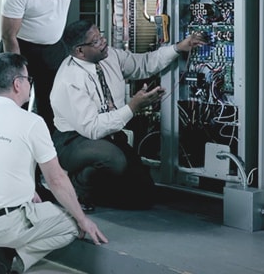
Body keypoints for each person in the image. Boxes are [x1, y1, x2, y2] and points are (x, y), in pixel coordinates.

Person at [0, 52, 108, 274]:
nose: (29, 85)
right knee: (71, 224)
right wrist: (83, 219)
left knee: (27, 206)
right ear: (17, 84)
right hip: (0, 225)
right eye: (28, 80)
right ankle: (12, 258)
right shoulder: (31, 122)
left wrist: (26, 192)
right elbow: (56, 179)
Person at [1, 0, 161, 133]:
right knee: (17, 106)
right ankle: (15, 152)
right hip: (21, 48)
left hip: (52, 47)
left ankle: (51, 157)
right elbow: (9, 36)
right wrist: (18, 73)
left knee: (51, 109)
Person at [50, 19, 207, 211]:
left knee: (143, 195)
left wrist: (178, 48)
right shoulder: (70, 81)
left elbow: (144, 63)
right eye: (96, 41)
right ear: (79, 51)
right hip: (73, 141)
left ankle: (97, 188)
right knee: (113, 159)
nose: (104, 42)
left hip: (109, 136)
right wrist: (133, 106)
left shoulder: (110, 57)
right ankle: (77, 186)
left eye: (101, 35)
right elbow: (93, 129)